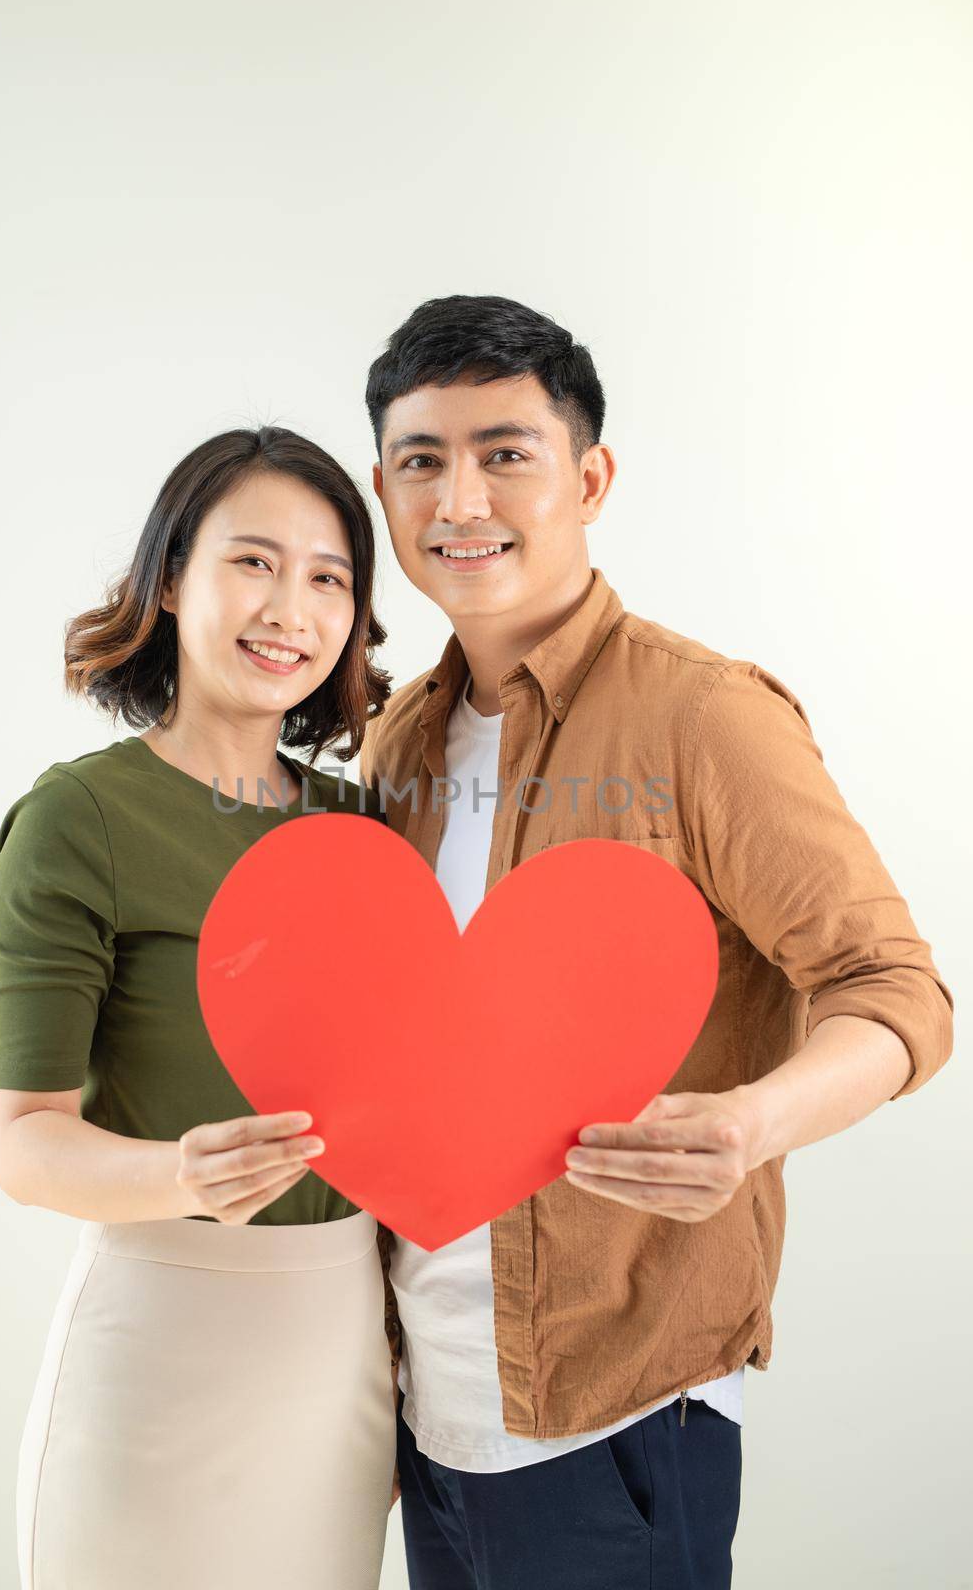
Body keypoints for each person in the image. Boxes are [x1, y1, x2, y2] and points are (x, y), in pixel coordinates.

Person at [357, 294, 955, 1590]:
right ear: (382, 489)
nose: (461, 496)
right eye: (422, 460)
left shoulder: (703, 716)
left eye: (505, 452)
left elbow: (897, 992)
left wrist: (753, 1121)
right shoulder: (394, 745)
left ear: (590, 476)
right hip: (427, 1411)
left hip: (623, 1416)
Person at [0, 426, 397, 1590]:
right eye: (253, 563)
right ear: (171, 579)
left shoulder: (367, 827)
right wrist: (185, 1174)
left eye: (329, 579)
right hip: (157, 1362)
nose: (292, 609)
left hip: (344, 1370)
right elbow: (22, 1138)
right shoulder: (82, 820)